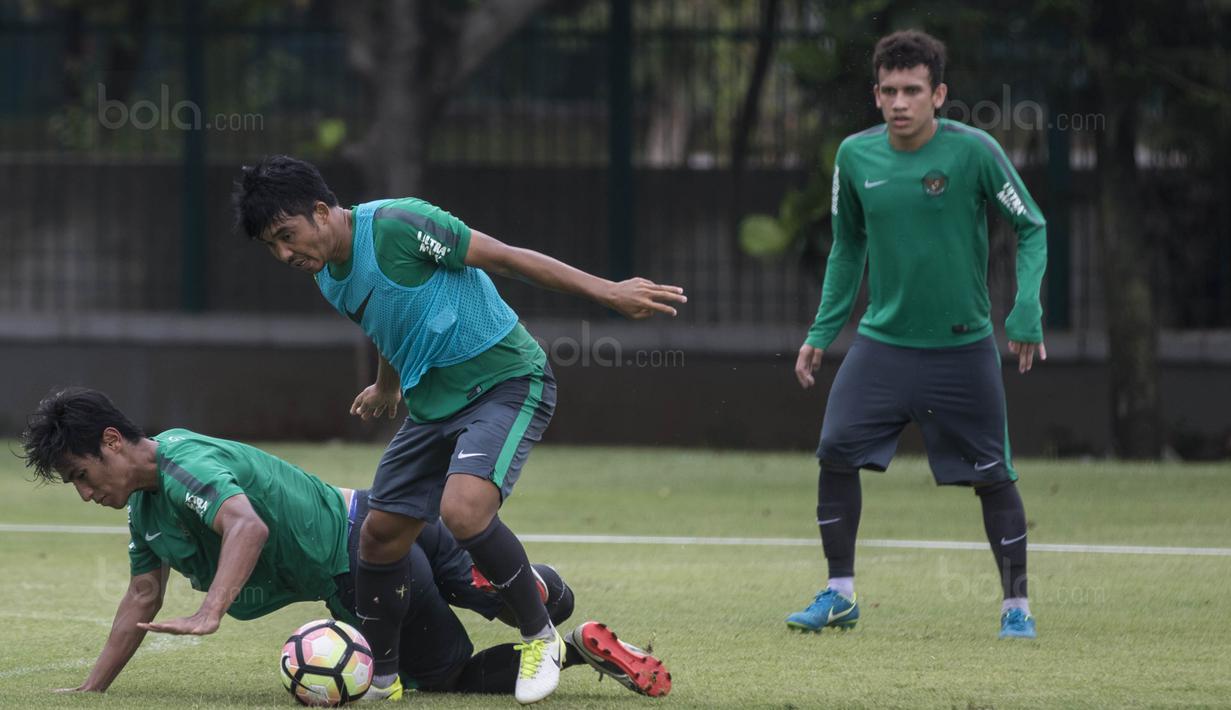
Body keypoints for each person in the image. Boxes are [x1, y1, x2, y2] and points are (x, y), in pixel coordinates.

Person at [232, 155, 685, 703]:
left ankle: (540, 637)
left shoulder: (399, 226)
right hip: (431, 408)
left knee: (463, 511)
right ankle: (381, 678)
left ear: (323, 212)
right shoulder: (329, 277)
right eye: (272, 247)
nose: (285, 254)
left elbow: (507, 258)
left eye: (288, 235)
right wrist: (386, 386)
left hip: (505, 380)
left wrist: (607, 293)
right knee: (378, 536)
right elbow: (390, 322)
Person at [18, 387, 672, 699]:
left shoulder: (181, 460)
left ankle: (571, 638)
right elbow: (140, 595)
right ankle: (552, 603)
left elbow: (246, 525)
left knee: (443, 678)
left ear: (111, 441)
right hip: (385, 515)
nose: (85, 493)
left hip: (362, 569)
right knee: (495, 592)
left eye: (82, 476)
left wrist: (212, 609)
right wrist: (91, 690)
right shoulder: (146, 515)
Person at [788, 29, 1046, 640]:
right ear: (876, 96)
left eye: (913, 90)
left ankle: (1016, 607)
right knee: (835, 451)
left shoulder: (975, 151)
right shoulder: (855, 157)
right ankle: (840, 593)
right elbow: (847, 247)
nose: (900, 101)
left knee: (993, 475)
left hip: (962, 348)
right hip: (882, 345)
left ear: (939, 94)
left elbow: (1030, 225)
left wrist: (1026, 310)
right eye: (889, 91)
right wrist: (822, 331)